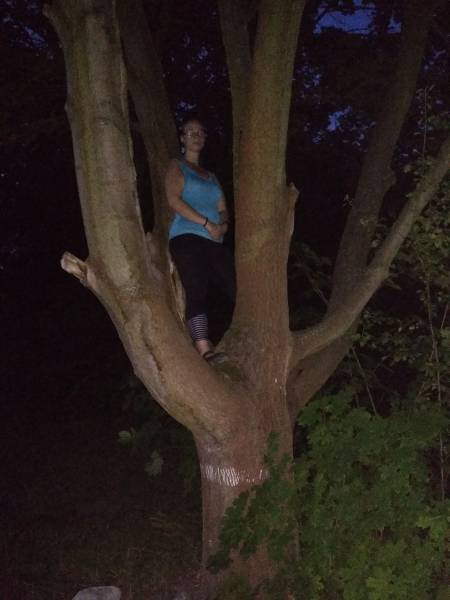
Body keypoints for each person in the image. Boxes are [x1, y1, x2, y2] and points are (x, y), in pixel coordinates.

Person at [165, 117, 235, 364]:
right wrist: (207, 224)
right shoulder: (176, 166)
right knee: (196, 291)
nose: (196, 135)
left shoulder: (211, 176)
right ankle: (204, 349)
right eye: (190, 131)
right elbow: (174, 200)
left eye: (200, 132)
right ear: (182, 138)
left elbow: (223, 209)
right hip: (187, 237)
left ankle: (242, 334)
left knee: (235, 285)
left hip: (215, 241)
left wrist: (222, 226)